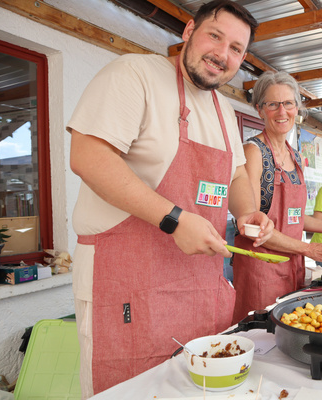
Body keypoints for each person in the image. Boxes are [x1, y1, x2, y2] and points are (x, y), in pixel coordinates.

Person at [66, 1, 273, 396]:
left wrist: (250, 212)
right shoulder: (134, 73)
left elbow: (237, 173)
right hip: (130, 281)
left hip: (200, 287)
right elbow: (89, 156)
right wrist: (174, 219)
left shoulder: (223, 111)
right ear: (189, 30)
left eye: (236, 48)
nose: (222, 54)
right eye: (215, 36)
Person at [232, 71, 322, 323]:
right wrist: (309, 248)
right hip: (262, 271)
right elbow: (251, 226)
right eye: (273, 104)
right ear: (260, 110)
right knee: (263, 340)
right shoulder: (254, 152)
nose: (282, 111)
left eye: (288, 103)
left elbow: (291, 219)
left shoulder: (294, 155)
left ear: (297, 108)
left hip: (292, 268)